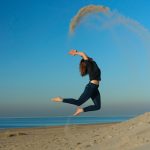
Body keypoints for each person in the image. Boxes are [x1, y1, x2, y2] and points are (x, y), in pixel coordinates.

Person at [51, 49, 101, 116]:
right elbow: (83, 54)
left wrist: (78, 53)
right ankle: (61, 99)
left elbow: (85, 56)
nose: (87, 57)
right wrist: (76, 53)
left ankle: (81, 110)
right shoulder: (89, 64)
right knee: (78, 102)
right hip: (91, 87)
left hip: (95, 88)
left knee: (97, 106)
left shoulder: (92, 63)